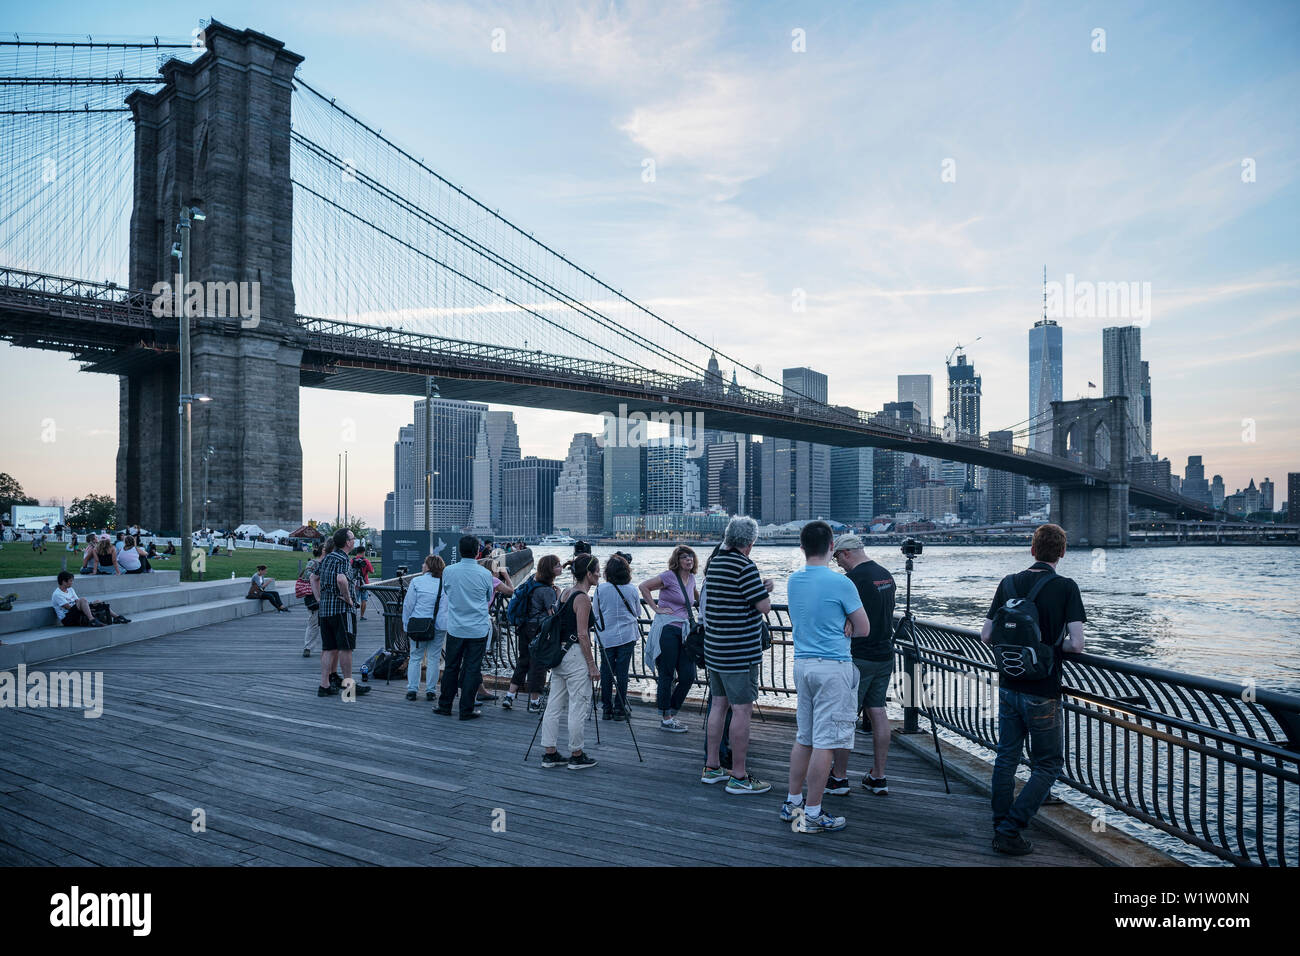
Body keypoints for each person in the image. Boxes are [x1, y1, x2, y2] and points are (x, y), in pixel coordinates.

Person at [981, 523, 1086, 856]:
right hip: (1043, 688)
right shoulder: (1066, 587)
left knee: (1007, 755)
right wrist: (1052, 647)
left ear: (1032, 550)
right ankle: (1011, 829)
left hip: (1008, 683)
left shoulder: (1008, 582)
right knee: (1048, 764)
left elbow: (986, 635)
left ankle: (1000, 823)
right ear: (1062, 553)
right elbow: (1078, 645)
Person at [781, 520, 870, 833]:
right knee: (826, 743)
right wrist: (846, 620)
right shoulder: (842, 583)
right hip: (833, 668)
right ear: (832, 547)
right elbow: (864, 628)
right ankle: (814, 812)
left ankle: (793, 803)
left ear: (802, 547)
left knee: (804, 737)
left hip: (802, 665)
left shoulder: (793, 581)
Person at [701, 515, 774, 795]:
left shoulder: (716, 562)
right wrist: (766, 588)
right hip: (739, 652)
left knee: (718, 706)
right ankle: (740, 776)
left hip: (716, 649)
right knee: (742, 710)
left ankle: (712, 766)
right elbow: (764, 607)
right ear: (750, 542)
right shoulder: (745, 566)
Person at [832, 533, 897, 795]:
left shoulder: (853, 580)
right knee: (878, 711)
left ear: (846, 553)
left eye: (838, 558)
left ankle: (838, 777)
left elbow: (844, 619)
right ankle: (878, 776)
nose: (838, 564)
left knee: (845, 717)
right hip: (885, 653)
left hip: (858, 656)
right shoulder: (886, 575)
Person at [436, 536, 514, 721]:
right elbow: (489, 594)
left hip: (456, 627)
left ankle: (445, 705)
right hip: (478, 628)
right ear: (477, 550)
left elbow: (447, 591)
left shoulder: (449, 571)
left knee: (451, 667)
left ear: (460, 550)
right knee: (472, 668)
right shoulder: (485, 574)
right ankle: (466, 709)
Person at [539, 553, 601, 770]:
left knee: (554, 704)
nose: (599, 575)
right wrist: (592, 665)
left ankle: (550, 752)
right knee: (578, 705)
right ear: (589, 574)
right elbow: (583, 635)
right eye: (597, 571)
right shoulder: (583, 598)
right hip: (575, 656)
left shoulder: (565, 592)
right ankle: (576, 754)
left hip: (560, 655)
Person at [639, 545, 699, 732]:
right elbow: (644, 586)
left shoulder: (692, 579)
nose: (689, 560)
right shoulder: (669, 577)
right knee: (667, 674)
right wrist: (656, 609)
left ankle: (671, 711)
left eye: (691, 557)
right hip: (668, 629)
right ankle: (666, 717)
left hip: (685, 632)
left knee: (689, 675)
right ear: (677, 561)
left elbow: (697, 601)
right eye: (684, 557)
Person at [312, 528, 370, 698]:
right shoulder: (344, 559)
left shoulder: (328, 557)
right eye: (353, 538)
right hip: (342, 610)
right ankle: (348, 686)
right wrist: (349, 599)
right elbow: (341, 579)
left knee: (328, 648)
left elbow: (313, 579)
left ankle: (324, 685)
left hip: (325, 610)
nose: (354, 541)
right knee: (346, 648)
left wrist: (319, 599)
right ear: (347, 542)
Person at [503, 554, 561, 713]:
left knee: (523, 661)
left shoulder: (532, 583)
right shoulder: (548, 590)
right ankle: (535, 701)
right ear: (550, 570)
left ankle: (509, 695)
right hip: (539, 631)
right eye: (557, 565)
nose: (561, 567)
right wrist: (558, 596)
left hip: (524, 628)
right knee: (538, 665)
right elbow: (553, 614)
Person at [593, 553, 641, 720]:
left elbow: (595, 613)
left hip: (606, 636)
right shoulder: (632, 589)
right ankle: (620, 709)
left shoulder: (600, 589)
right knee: (622, 673)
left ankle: (606, 709)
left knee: (606, 672)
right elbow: (637, 612)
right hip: (626, 636)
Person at [403, 554, 449, 701]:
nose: (422, 566)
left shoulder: (417, 581)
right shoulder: (444, 583)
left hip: (418, 624)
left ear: (429, 566)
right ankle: (431, 691)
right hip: (438, 625)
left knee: (415, 657)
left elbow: (408, 605)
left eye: (424, 563)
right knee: (434, 658)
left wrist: (406, 624)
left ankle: (412, 690)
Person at [51, 571, 128, 626]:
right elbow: (69, 608)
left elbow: (77, 601)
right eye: (70, 581)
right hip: (67, 619)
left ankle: (117, 617)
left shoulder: (70, 589)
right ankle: (92, 620)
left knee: (98, 602)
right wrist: (86, 608)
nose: (72, 582)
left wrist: (90, 606)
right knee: (83, 600)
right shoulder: (57, 594)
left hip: (75, 612)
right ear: (64, 582)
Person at [300, 543, 325, 657]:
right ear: (323, 550)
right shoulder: (313, 563)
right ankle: (308, 647)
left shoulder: (330, 562)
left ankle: (329, 648)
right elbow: (307, 577)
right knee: (313, 622)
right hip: (314, 597)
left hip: (328, 597)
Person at [351, 550, 375, 620]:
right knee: (364, 600)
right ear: (363, 552)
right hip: (364, 583)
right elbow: (372, 571)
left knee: (354, 599)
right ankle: (362, 616)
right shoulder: (366, 561)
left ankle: (353, 615)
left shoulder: (352, 561)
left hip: (355, 583)